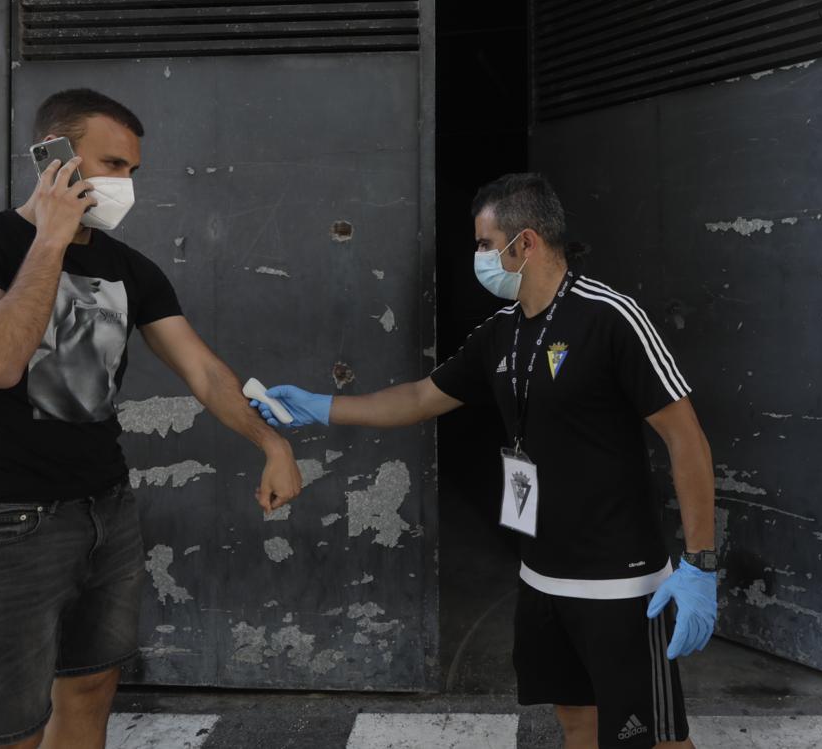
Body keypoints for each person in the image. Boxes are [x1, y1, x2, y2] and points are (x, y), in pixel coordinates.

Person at [253, 173, 718, 749]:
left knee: (656, 741)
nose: (477, 257)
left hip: (620, 585)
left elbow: (687, 439)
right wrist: (322, 408)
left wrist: (700, 564)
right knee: (577, 721)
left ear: (525, 244)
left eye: (482, 243)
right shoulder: (501, 334)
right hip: (541, 575)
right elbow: (421, 397)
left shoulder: (610, 317)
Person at [0, 88, 303, 749]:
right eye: (112, 164)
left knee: (91, 689)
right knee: (6, 730)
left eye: (132, 169)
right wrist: (51, 241)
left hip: (105, 513)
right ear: (54, 157)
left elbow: (203, 371)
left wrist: (273, 445)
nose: (125, 183)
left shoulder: (132, 269)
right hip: (3, 524)